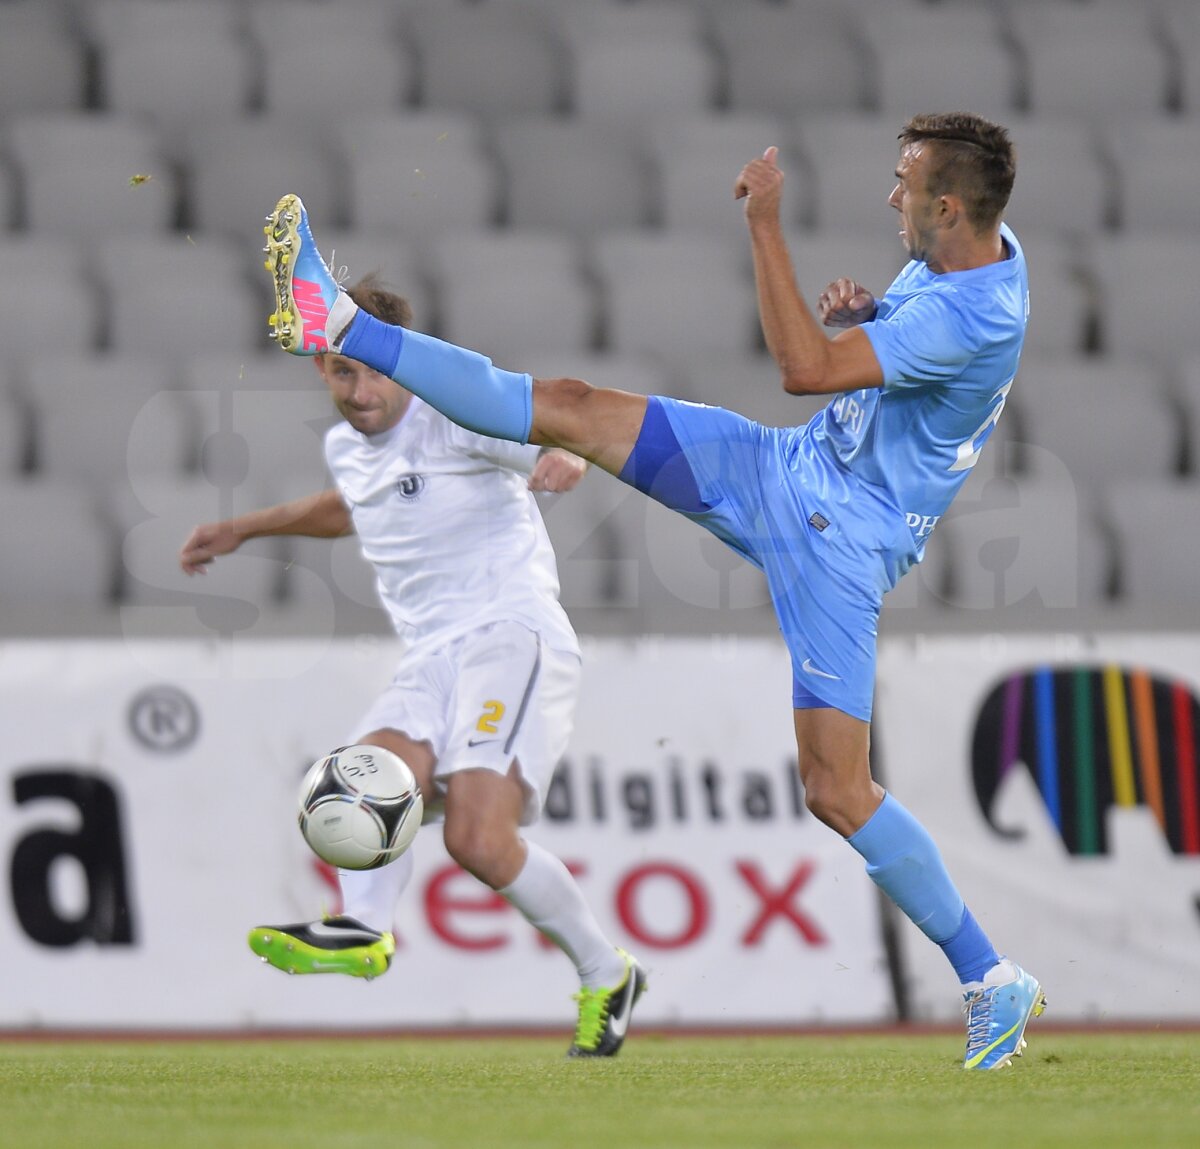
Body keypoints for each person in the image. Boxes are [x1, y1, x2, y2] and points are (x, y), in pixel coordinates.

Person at [261, 111, 1044, 1071]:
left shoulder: (978, 310)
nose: (892, 196)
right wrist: (874, 315)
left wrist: (764, 225)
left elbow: (803, 370)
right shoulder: (982, 250)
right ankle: (342, 322)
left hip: (842, 543)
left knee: (836, 788)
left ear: (948, 205)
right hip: (787, 469)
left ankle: (990, 976)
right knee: (575, 408)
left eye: (905, 186)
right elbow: (904, 355)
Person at [179, 274, 646, 1058]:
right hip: (431, 655)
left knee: (477, 840)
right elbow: (354, 501)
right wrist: (246, 527)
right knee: (365, 774)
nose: (362, 391)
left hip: (511, 634)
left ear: (401, 361)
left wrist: (570, 454)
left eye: (375, 370)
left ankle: (607, 971)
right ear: (321, 369)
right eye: (342, 372)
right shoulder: (345, 445)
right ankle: (364, 928)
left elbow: (555, 424)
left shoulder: (456, 414)